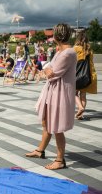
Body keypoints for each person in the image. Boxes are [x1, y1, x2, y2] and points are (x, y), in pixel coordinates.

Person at [25, 23, 77, 170]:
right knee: (47, 121)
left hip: (59, 93)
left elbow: (51, 73)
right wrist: (47, 67)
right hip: (53, 92)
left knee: (57, 127)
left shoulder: (67, 53)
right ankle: (40, 150)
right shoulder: (61, 51)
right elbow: (48, 70)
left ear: (57, 36)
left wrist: (46, 67)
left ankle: (60, 160)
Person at [74, 31, 97, 120]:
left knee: (73, 93)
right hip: (88, 75)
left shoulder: (75, 49)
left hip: (77, 75)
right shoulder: (90, 50)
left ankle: (80, 107)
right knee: (83, 95)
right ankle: (80, 115)